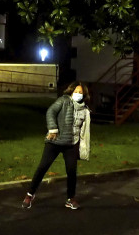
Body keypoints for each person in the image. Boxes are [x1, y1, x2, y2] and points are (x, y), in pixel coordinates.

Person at [21, 82, 91, 210]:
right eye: (76, 91)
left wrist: (82, 146)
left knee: (71, 171)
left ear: (84, 95)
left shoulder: (84, 110)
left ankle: (71, 199)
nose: (78, 94)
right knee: (42, 167)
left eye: (81, 93)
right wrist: (53, 129)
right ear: (71, 91)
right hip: (55, 141)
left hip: (71, 143)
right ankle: (30, 194)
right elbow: (50, 112)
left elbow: (83, 130)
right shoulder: (63, 101)